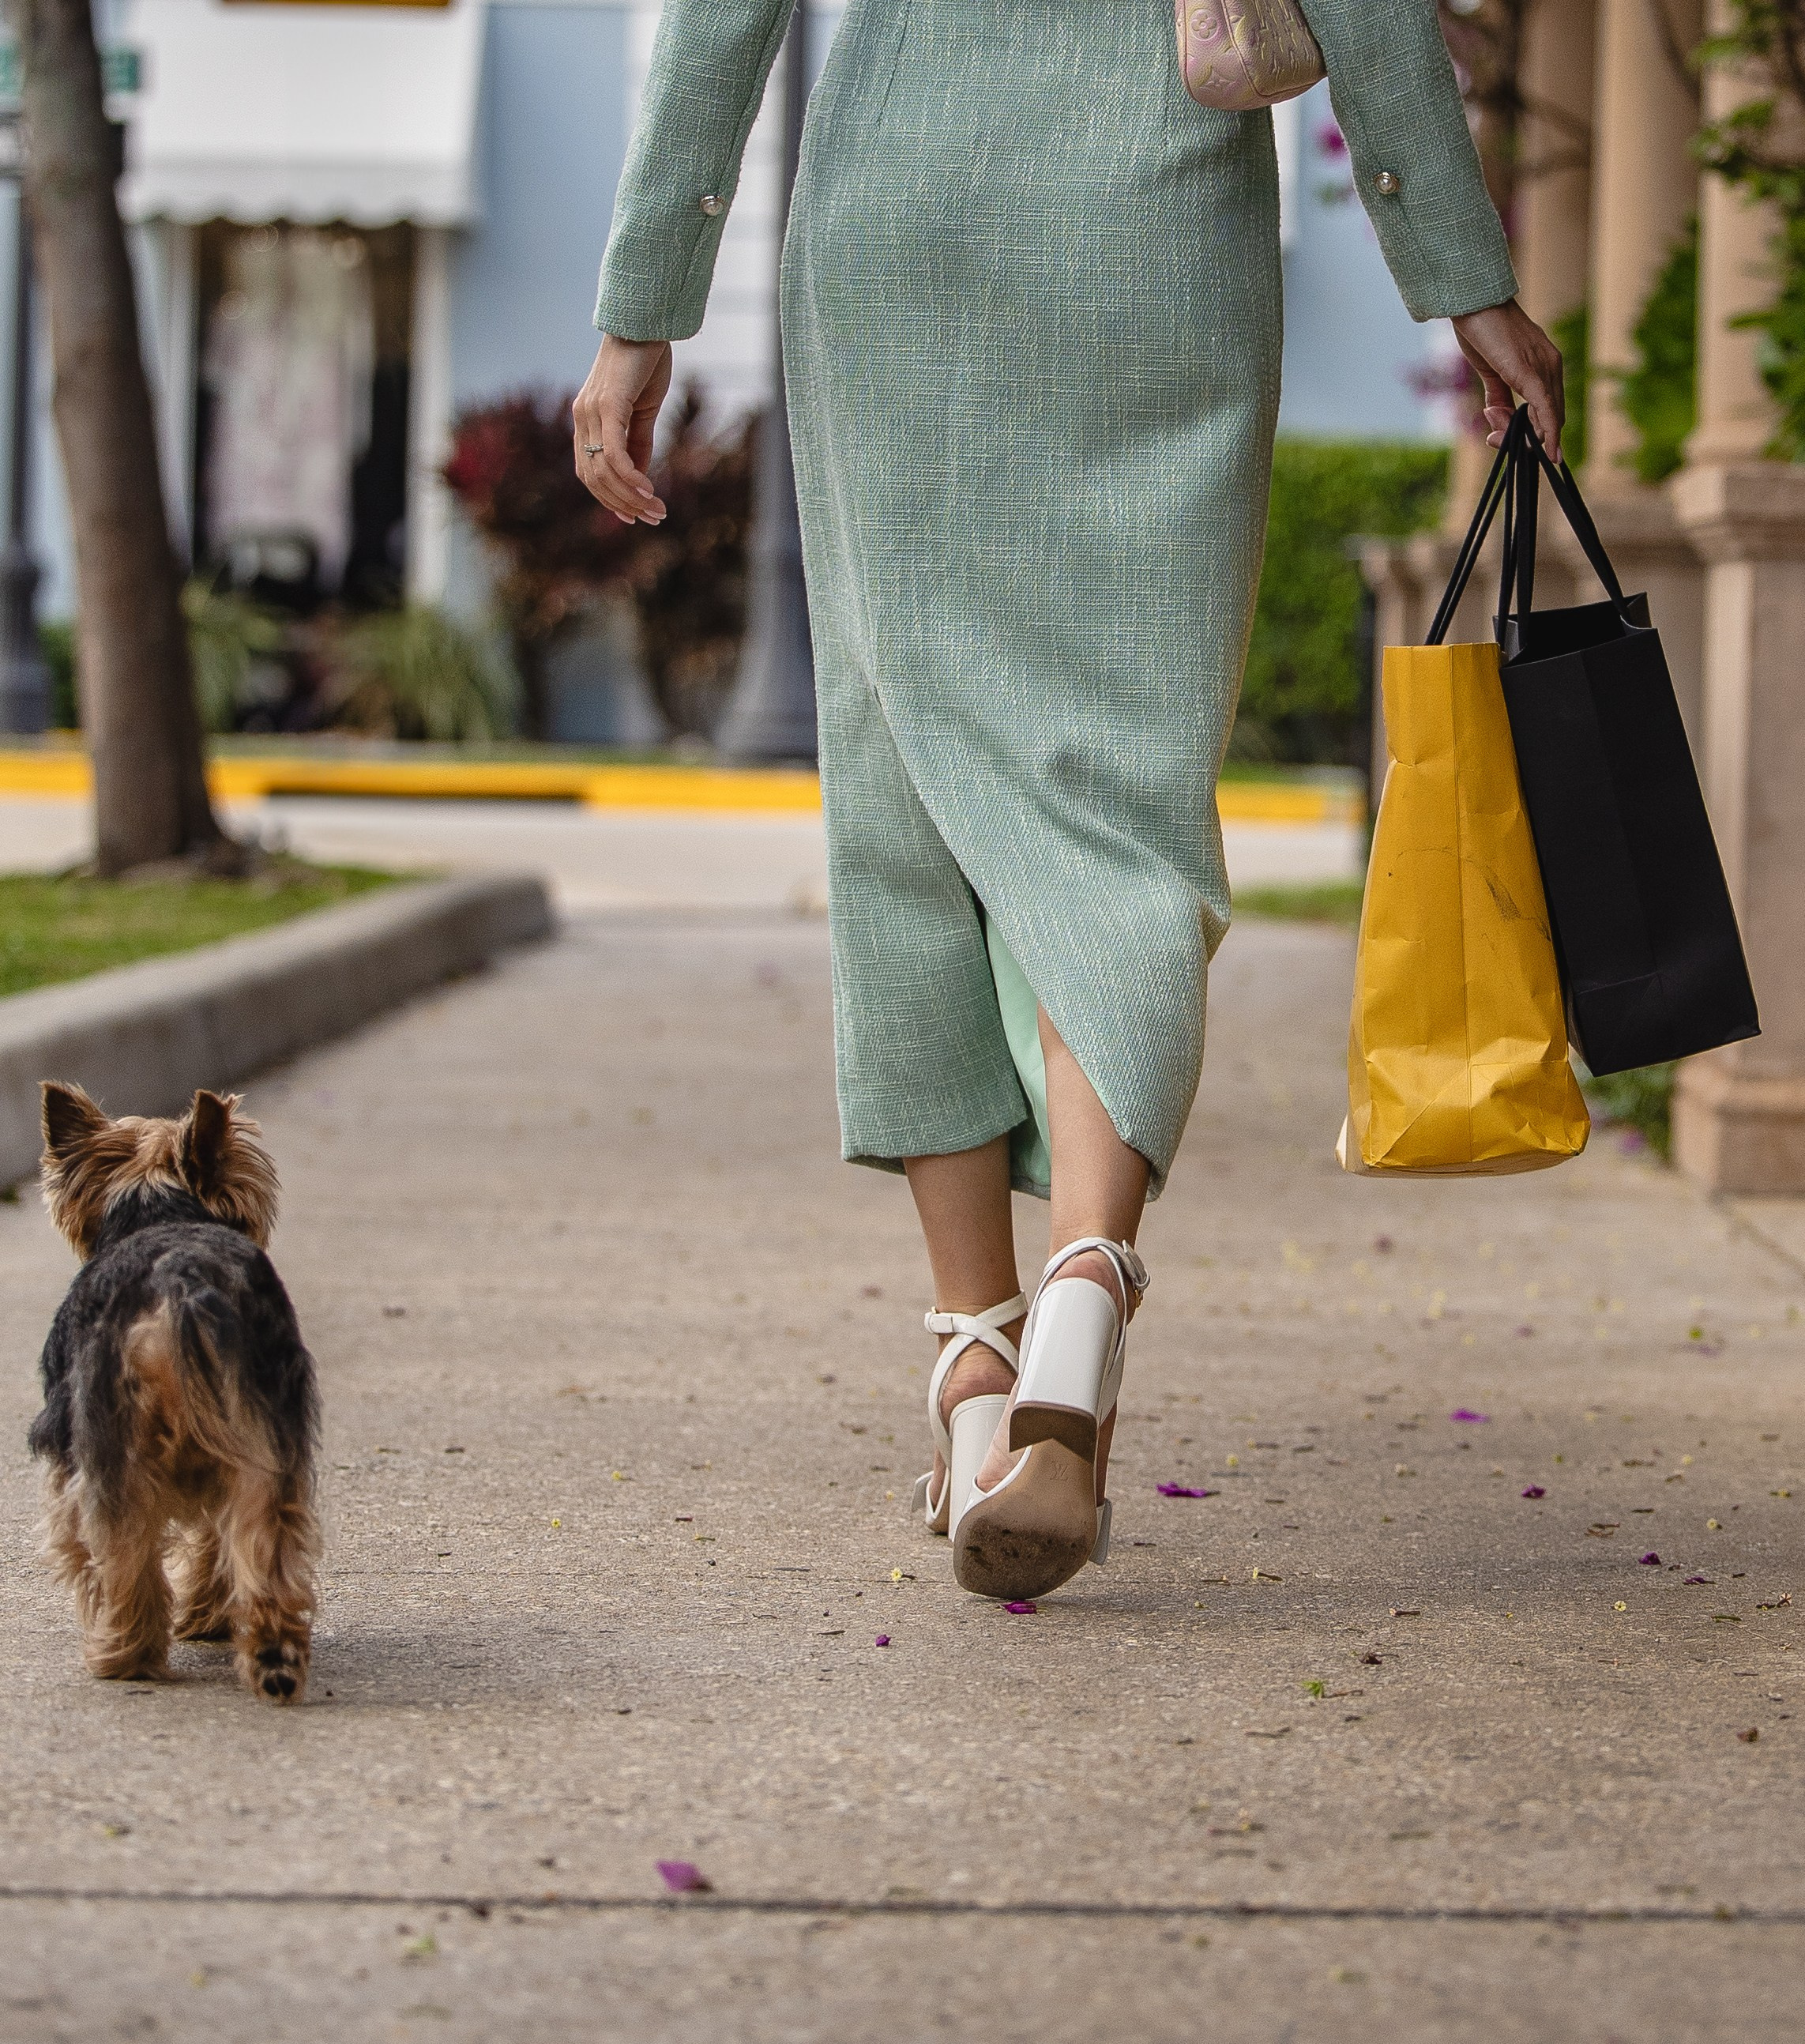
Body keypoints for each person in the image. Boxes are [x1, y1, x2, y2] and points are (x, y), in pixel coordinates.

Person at [577, 0, 1563, 1603]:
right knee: (1124, 792)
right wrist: (1462, 278)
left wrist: (644, 305)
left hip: (898, 217)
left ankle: (976, 1370)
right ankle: (1088, 1282)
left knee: (906, 791)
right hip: (1157, 234)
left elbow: (721, 17)